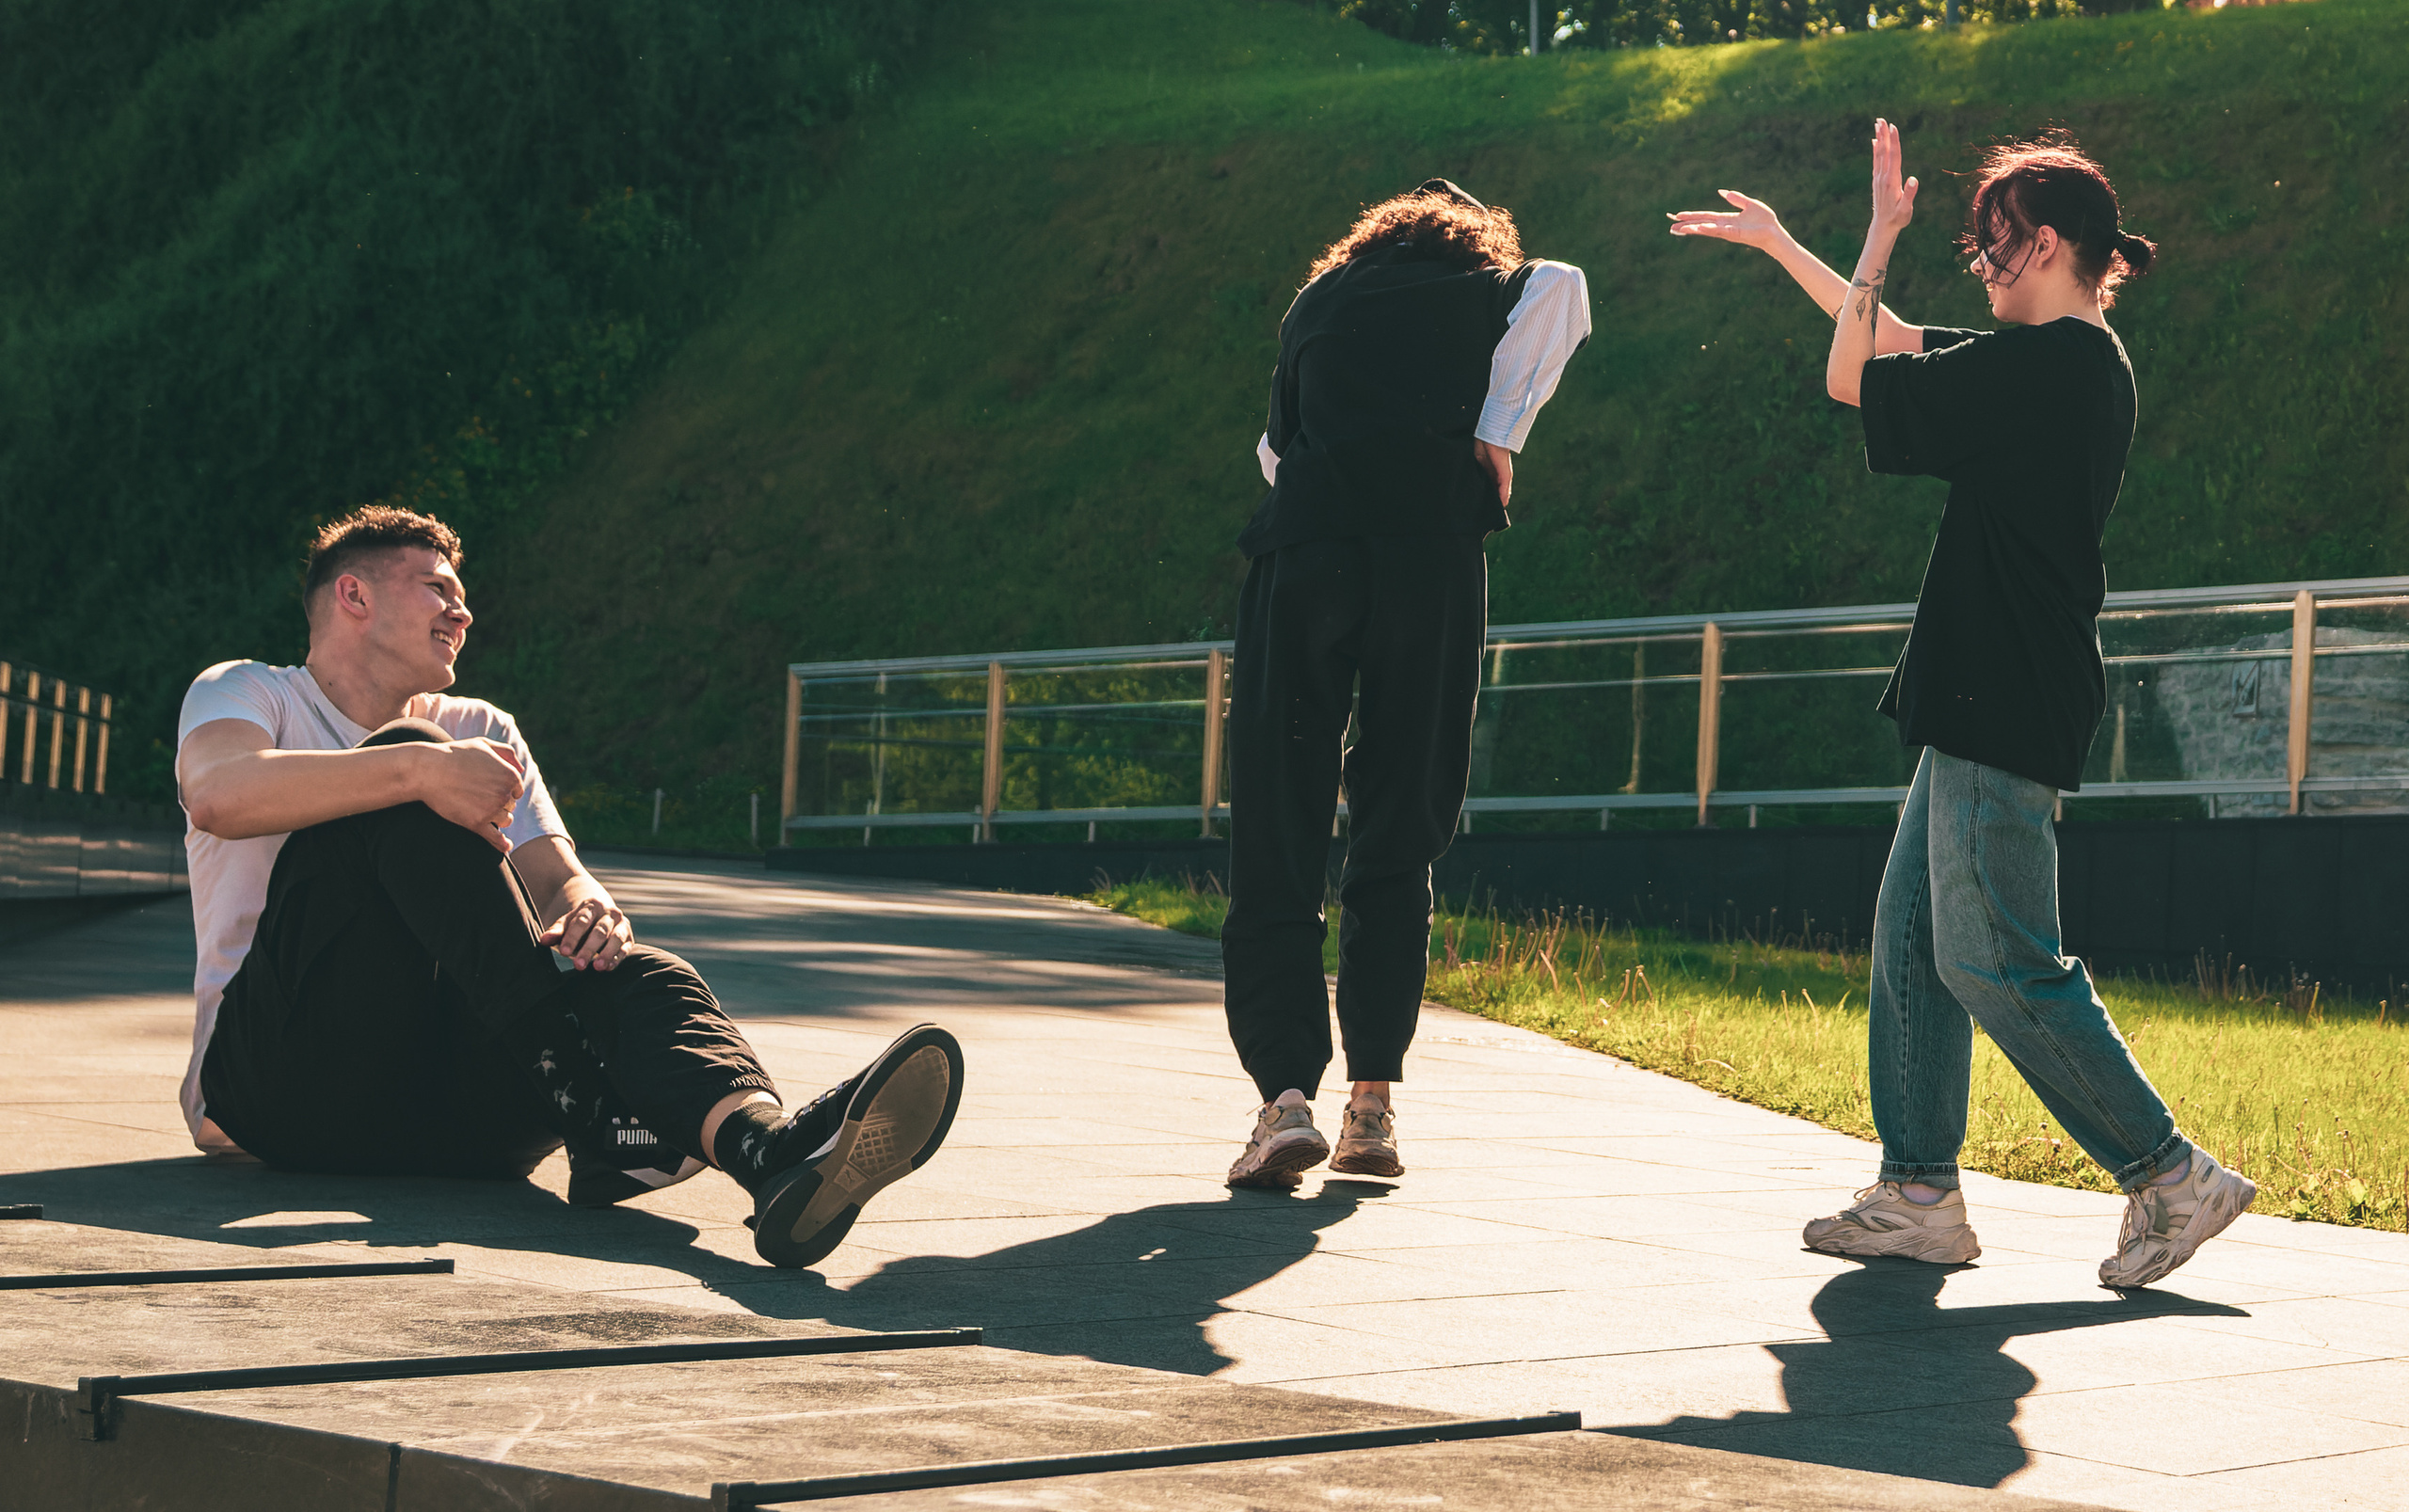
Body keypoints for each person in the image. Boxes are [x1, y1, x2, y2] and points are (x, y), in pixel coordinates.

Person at [1670, 126, 2255, 1286]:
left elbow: (1851, 376)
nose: (1979, 264)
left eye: (1992, 244)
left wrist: (1879, 236)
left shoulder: (2042, 369)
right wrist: (1789, 247)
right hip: (1986, 686)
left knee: (1997, 958)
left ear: (2048, 243)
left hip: (2003, 688)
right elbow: (1885, 339)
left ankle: (2166, 1170)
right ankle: (1919, 1195)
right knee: (1915, 944)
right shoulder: (2061, 359)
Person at [175, 505, 964, 1268]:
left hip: (457, 1117)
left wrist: (591, 910)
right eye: (438, 588)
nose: (463, 611)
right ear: (354, 594)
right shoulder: (248, 691)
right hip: (284, 1091)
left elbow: (558, 882)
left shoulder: (486, 728)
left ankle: (769, 1151)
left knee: (643, 974)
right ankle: (594, 1112)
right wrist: (418, 767)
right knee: (412, 759)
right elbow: (217, 793)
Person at [1221, 179, 1589, 1188]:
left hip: (1305, 557)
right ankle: (1371, 1109)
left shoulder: (1319, 299)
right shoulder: (1489, 286)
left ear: (1372, 239)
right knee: (1399, 822)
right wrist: (1497, 432)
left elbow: (1274, 451)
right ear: (1474, 240)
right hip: (1428, 557)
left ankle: (1282, 1101)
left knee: (1278, 822)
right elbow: (1562, 285)